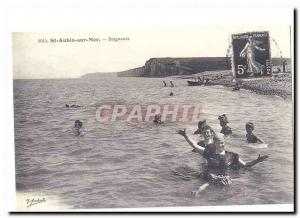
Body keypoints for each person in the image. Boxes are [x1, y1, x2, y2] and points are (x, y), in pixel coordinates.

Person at [177, 129, 268, 191]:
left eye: (223, 143)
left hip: (223, 180)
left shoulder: (231, 155)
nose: (222, 145)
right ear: (215, 143)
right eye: (220, 143)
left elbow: (245, 165)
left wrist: (257, 160)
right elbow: (194, 145)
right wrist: (185, 135)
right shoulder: (208, 152)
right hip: (208, 178)